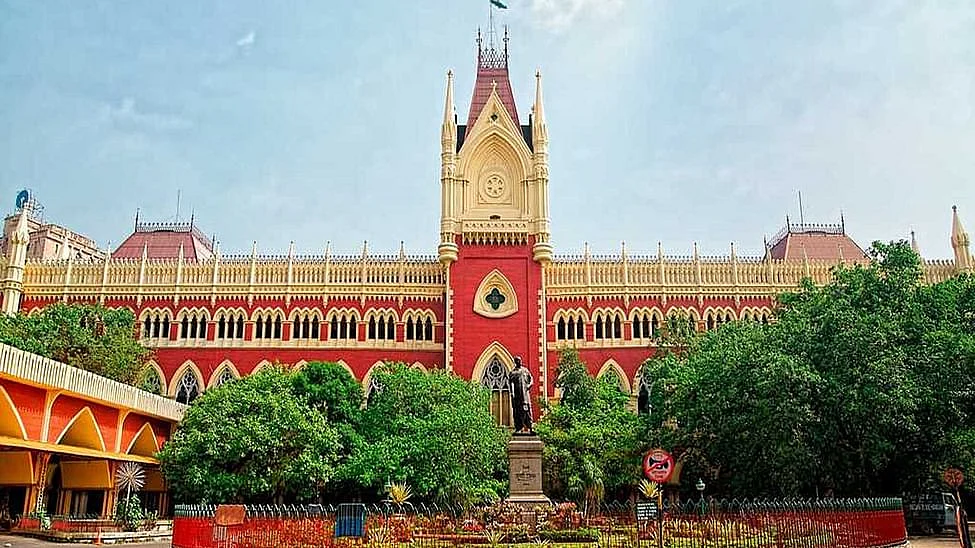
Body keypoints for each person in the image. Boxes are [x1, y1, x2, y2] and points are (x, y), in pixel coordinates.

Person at [508, 356, 533, 433]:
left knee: (527, 410)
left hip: (525, 395)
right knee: (518, 411)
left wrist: (529, 385)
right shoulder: (513, 373)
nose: (519, 362)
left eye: (520, 360)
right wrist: (512, 394)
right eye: (517, 361)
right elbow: (510, 384)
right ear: (515, 362)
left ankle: (530, 427)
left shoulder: (525, 370)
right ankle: (519, 428)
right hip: (517, 396)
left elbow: (531, 379)